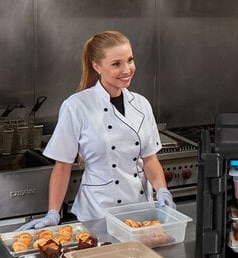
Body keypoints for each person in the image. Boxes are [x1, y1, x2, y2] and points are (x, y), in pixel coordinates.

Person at [18, 30, 174, 231]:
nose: (127, 69)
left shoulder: (141, 104)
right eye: (116, 64)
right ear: (96, 66)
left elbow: (150, 160)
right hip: (98, 214)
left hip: (140, 211)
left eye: (130, 60)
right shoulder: (76, 106)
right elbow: (62, 166)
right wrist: (53, 212)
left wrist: (162, 191)